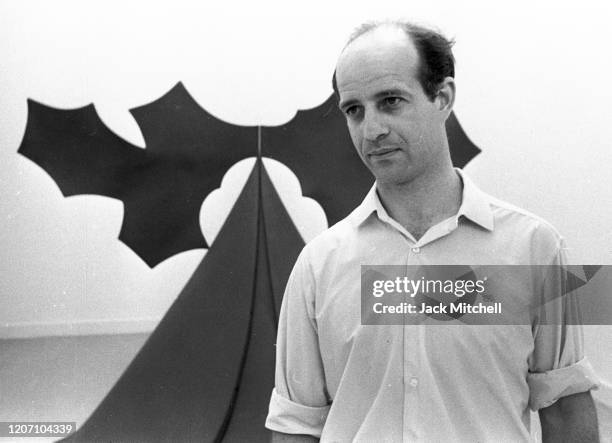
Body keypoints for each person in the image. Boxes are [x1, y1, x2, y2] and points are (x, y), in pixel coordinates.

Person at [265, 20, 600, 442]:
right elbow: (296, 429)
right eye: (355, 110)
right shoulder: (319, 265)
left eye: (390, 101)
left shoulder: (534, 248)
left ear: (443, 97)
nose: (372, 130)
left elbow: (567, 412)